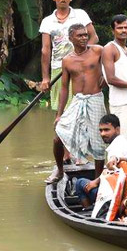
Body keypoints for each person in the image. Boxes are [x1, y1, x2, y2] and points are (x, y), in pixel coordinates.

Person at [50, 24, 106, 183]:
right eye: (80, 36)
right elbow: (63, 88)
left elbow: (112, 63)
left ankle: (98, 179)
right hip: (77, 101)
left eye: (85, 35)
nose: (84, 38)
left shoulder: (97, 51)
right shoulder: (67, 60)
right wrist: (59, 114)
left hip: (95, 98)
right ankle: (60, 170)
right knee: (58, 136)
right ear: (71, 38)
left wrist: (106, 77)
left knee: (97, 141)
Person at [38, 0, 98, 109]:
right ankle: (60, 127)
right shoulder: (47, 21)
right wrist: (45, 77)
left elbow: (94, 37)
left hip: (81, 66)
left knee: (80, 104)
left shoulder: (81, 15)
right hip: (58, 67)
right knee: (60, 106)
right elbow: (46, 50)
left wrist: (83, 55)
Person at [72, 113, 127, 205]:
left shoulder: (116, 148)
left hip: (114, 195)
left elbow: (113, 173)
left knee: (79, 183)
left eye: (107, 130)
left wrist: (96, 182)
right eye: (101, 130)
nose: (103, 134)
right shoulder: (123, 141)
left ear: (117, 130)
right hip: (122, 190)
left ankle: (90, 211)